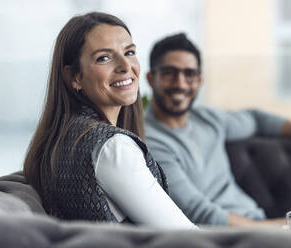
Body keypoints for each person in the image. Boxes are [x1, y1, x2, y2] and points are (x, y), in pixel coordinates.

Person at [144, 33, 291, 229]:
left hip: (263, 225)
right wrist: (287, 226)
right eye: (170, 74)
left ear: (199, 82)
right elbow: (197, 213)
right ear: (152, 78)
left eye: (189, 74)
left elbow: (257, 119)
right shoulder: (150, 141)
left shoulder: (208, 120)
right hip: (235, 237)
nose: (180, 83)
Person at [23, 12, 196, 229]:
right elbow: (185, 236)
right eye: (104, 57)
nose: (126, 66)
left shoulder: (63, 136)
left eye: (130, 52)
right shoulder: (113, 148)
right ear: (74, 77)